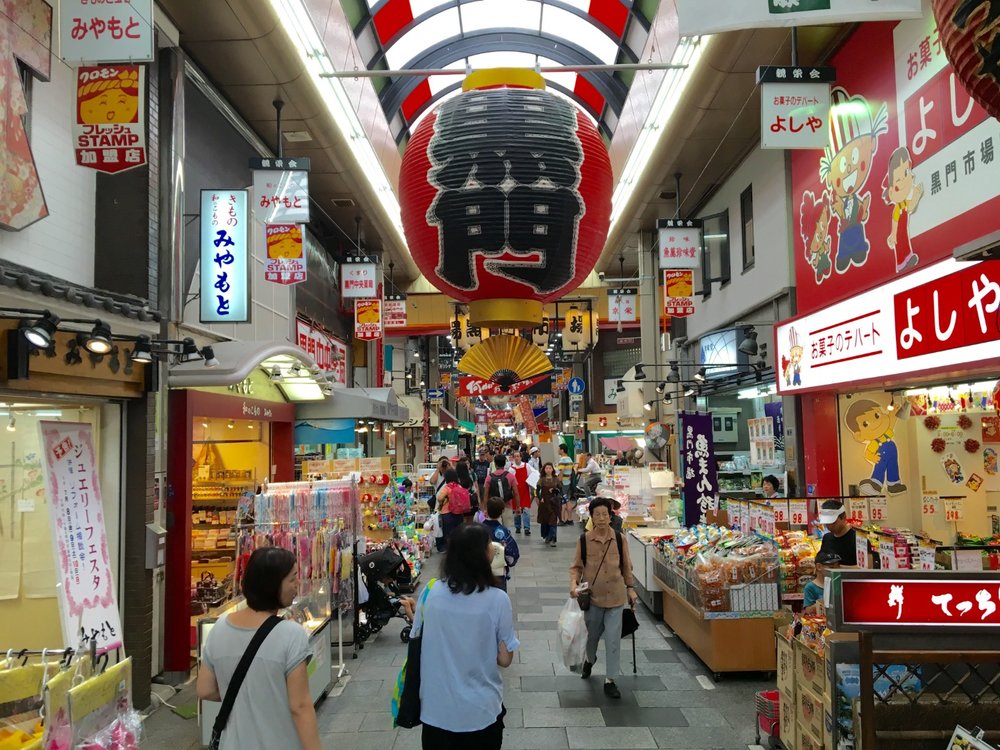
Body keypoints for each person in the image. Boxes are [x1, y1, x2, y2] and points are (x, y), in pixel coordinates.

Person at [197, 547, 321, 750]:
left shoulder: (218, 628)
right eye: (292, 579)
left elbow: (205, 690)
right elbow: (300, 706)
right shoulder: (291, 634)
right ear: (272, 585)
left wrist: (249, 695)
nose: (297, 584)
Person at [414, 524, 519, 749]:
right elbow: (505, 659)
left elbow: (419, 639)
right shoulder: (497, 600)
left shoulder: (430, 592)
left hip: (436, 711)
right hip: (480, 712)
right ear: (484, 554)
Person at [568, 498, 637, 700]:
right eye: (597, 515)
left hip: (616, 597)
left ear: (610, 516)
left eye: (605, 515)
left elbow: (626, 566)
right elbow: (576, 568)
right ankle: (590, 659)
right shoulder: (584, 540)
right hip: (594, 599)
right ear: (591, 517)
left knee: (613, 640)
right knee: (592, 638)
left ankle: (611, 680)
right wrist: (573, 585)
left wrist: (631, 588)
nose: (601, 518)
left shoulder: (619, 538)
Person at [483, 497, 519, 592]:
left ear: (486, 509)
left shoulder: (477, 529)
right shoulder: (502, 531)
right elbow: (512, 554)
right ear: (502, 511)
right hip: (498, 571)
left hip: (479, 570)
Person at [817, 500, 858, 565]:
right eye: (826, 522)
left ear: (844, 517)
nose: (829, 526)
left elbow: (867, 568)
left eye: (832, 522)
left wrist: (838, 568)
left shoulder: (856, 539)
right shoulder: (827, 538)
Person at [484, 455, 519, 528]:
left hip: (493, 507)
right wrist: (518, 507)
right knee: (507, 528)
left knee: (496, 528)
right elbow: (516, 493)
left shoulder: (489, 477)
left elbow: (486, 494)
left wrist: (485, 509)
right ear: (505, 463)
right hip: (507, 505)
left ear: (495, 464)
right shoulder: (511, 476)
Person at [436, 469, 469, 547]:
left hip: (447, 513)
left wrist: (445, 500)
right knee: (458, 533)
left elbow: (439, 498)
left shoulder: (447, 487)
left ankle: (449, 550)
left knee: (448, 534)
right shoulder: (459, 486)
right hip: (459, 513)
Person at [536, 462, 562, 547]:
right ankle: (547, 536)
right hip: (544, 503)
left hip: (553, 502)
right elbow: (537, 491)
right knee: (545, 520)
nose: (548, 470)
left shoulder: (556, 479)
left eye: (550, 468)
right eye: (546, 468)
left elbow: (560, 489)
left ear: (552, 469)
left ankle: (553, 538)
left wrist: (555, 490)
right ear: (544, 469)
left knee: (553, 520)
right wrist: (540, 498)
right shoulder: (542, 479)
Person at [508, 449, 532, 536]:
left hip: (525, 491)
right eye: (515, 457)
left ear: (521, 457)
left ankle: (526, 528)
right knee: (517, 510)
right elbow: (510, 481)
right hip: (516, 492)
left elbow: (531, 476)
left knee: (526, 510)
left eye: (518, 456)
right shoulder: (511, 469)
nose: (517, 458)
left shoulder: (527, 466)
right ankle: (517, 526)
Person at [558, 444, 576, 526]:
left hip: (563, 483)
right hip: (568, 482)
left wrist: (558, 482)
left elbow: (561, 472)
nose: (558, 451)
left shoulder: (562, 460)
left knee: (562, 502)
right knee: (567, 500)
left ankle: (562, 520)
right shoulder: (569, 459)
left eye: (559, 449)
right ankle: (570, 519)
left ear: (562, 450)